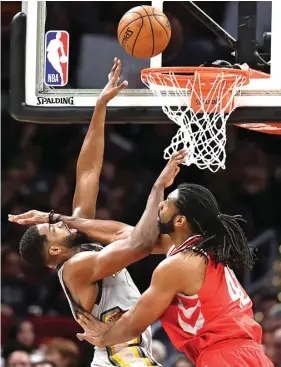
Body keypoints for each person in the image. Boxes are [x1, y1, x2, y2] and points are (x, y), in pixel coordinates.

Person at [9, 58, 187, 366]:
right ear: (54, 249)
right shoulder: (76, 267)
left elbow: (88, 173)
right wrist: (158, 187)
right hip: (119, 358)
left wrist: (100, 108)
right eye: (55, 227)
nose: (61, 222)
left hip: (128, 354)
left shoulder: (81, 242)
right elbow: (140, 244)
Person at [68, 184, 274, 367]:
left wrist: (101, 339)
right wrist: (61, 219)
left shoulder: (178, 265)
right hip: (253, 354)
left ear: (180, 220)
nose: (160, 206)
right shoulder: (202, 249)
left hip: (224, 356)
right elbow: (121, 234)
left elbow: (134, 322)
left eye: (167, 203)